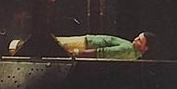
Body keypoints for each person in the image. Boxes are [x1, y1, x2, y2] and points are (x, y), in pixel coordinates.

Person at [11, 32, 153, 60]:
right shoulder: (131, 51)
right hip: (87, 43)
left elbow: (102, 52)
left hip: (85, 44)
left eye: (140, 41)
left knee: (56, 43)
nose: (135, 39)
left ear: (145, 48)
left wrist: (77, 53)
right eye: (138, 37)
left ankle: (19, 47)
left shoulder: (128, 50)